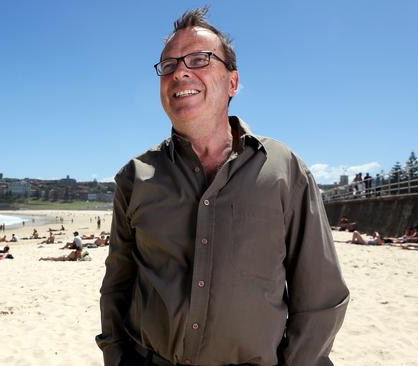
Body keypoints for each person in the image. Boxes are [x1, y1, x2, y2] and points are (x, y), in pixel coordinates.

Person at [96, 8, 349, 366]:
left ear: (232, 83)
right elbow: (117, 286)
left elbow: (321, 298)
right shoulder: (135, 177)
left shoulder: (284, 169)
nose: (179, 71)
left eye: (199, 59)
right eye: (167, 65)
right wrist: (116, 357)